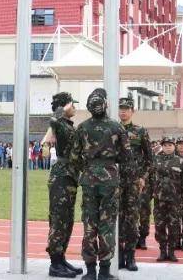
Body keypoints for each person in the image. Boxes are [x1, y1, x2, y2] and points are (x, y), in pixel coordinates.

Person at [71, 88, 131, 280]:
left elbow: (74, 156)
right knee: (107, 224)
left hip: (89, 179)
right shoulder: (117, 127)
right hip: (109, 179)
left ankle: (90, 271)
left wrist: (88, 168)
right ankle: (104, 271)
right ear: (105, 105)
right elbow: (126, 156)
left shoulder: (82, 128)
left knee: (89, 224)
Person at [44, 92, 82, 278]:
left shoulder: (68, 125)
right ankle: (55, 263)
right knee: (59, 220)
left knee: (67, 220)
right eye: (72, 105)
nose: (75, 108)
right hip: (61, 176)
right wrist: (63, 108)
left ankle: (61, 258)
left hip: (70, 177)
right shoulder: (59, 123)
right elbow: (53, 118)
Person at [116, 96, 152, 272]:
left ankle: (130, 256)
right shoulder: (112, 130)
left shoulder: (140, 131)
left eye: (126, 108)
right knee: (116, 218)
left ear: (132, 111)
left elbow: (149, 159)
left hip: (133, 183)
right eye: (120, 108)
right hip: (114, 182)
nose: (123, 111)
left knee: (131, 220)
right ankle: (119, 255)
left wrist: (143, 177)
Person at [150, 136, 183, 262]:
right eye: (165, 145)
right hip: (160, 199)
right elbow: (151, 179)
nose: (167, 147)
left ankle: (172, 251)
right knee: (160, 226)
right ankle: (163, 251)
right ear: (162, 146)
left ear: (174, 146)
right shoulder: (156, 160)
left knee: (174, 226)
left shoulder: (180, 161)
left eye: (170, 145)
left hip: (175, 200)